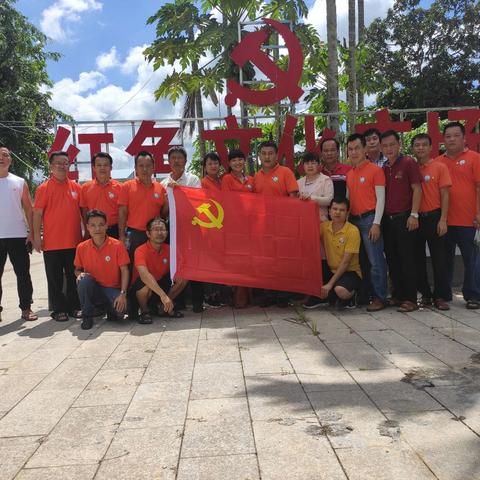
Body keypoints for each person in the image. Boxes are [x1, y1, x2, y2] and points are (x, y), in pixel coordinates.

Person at [434, 121, 480, 309]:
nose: (452, 139)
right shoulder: (438, 162)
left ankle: (473, 295)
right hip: (444, 221)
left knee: (473, 260)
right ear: (443, 140)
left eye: (456, 135)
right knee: (444, 261)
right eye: (448, 136)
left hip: (469, 220)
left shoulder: (474, 158)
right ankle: (444, 295)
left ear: (464, 138)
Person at [33, 151, 82, 322]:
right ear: (51, 166)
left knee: (73, 276)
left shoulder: (77, 187)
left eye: (66, 163)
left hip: (74, 241)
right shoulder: (44, 188)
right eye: (58, 163)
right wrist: (35, 237)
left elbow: (83, 213)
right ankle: (58, 309)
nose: (62, 166)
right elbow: (37, 214)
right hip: (52, 243)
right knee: (54, 279)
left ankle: (75, 307)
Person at [381, 130, 423, 312]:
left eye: (392, 144)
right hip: (388, 221)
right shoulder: (384, 167)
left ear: (399, 144)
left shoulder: (408, 163)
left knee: (407, 259)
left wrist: (414, 214)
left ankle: (411, 299)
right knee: (393, 259)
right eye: (385, 146)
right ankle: (398, 295)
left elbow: (417, 189)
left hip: (405, 218)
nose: (389, 148)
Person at [346, 133, 388, 312]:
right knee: (361, 262)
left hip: (370, 220)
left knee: (376, 262)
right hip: (354, 221)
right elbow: (349, 200)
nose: (354, 152)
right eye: (350, 149)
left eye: (357, 148)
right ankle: (365, 295)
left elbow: (381, 199)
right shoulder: (349, 174)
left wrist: (376, 223)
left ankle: (380, 298)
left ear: (365, 149)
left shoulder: (375, 170)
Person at [254, 140, 298, 307]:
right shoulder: (256, 176)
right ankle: (268, 294)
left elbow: (293, 199)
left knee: (283, 260)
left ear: (276, 155)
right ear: (259, 156)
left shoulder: (285, 172)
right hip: (263, 227)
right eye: (263, 153)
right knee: (266, 261)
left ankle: (283, 294)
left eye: (270, 153)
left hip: (283, 226)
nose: (267, 157)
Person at [161, 146, 204, 313]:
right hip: (172, 230)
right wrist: (167, 199)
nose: (177, 161)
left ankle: (198, 301)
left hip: (192, 228)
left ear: (185, 161)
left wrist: (178, 191)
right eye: (173, 158)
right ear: (169, 162)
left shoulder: (193, 180)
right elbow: (163, 212)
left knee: (194, 263)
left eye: (180, 158)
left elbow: (197, 203)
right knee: (175, 264)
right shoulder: (163, 184)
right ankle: (178, 302)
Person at [412, 133, 451, 310]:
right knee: (418, 259)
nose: (420, 148)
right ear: (412, 148)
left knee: (439, 260)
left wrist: (443, 219)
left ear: (430, 147)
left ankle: (440, 296)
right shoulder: (411, 168)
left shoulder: (439, 167)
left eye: (424, 145)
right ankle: (425, 295)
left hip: (435, 217)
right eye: (417, 145)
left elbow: (445, 194)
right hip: (416, 220)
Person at [74, 210, 130, 330]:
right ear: (88, 227)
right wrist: (79, 274)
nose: (97, 228)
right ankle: (87, 316)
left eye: (100, 224)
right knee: (84, 281)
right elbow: (77, 270)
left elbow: (125, 270)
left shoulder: (117, 245)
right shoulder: (81, 247)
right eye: (93, 225)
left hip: (112, 289)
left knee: (122, 311)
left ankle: (107, 309)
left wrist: (123, 294)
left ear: (106, 226)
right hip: (94, 288)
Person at [0, 147, 37, 322]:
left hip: (17, 235)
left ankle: (26, 308)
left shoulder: (20, 182)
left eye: (5, 155)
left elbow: (29, 209)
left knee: (23, 274)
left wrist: (31, 232)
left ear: (10, 160)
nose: (2, 158)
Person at [131, 217, 187, 324]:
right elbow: (144, 275)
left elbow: (182, 268)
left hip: (161, 284)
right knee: (145, 284)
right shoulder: (140, 250)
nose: (160, 233)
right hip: (145, 288)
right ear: (148, 233)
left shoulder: (170, 249)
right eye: (156, 230)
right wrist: (163, 295)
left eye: (162, 229)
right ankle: (144, 311)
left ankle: (164, 308)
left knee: (183, 277)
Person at [118, 151, 168, 257]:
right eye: (141, 166)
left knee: (153, 263)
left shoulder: (160, 188)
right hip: (134, 234)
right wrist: (122, 235)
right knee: (133, 264)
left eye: (148, 166)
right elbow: (122, 213)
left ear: (153, 167)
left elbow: (163, 213)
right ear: (136, 168)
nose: (145, 169)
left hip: (154, 234)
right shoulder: (127, 186)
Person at [221, 149, 254, 308]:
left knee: (249, 258)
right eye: (234, 160)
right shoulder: (226, 179)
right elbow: (227, 202)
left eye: (240, 159)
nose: (237, 163)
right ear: (229, 163)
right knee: (237, 259)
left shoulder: (251, 180)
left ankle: (248, 292)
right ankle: (238, 294)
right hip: (234, 227)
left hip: (251, 227)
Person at [320, 197, 362, 309]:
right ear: (329, 211)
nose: (337, 212)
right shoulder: (324, 227)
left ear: (347, 213)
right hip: (331, 270)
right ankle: (333, 296)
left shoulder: (353, 230)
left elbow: (346, 262)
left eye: (342, 210)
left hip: (349, 271)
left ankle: (353, 296)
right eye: (335, 209)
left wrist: (330, 284)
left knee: (340, 290)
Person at [80, 152, 122, 239]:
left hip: (114, 230)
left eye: (106, 165)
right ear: (94, 168)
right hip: (94, 231)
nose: (102, 168)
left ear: (111, 168)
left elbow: (123, 212)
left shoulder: (120, 188)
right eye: (99, 165)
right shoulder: (85, 188)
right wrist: (87, 232)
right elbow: (84, 212)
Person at [297, 151, 333, 222]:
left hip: (320, 221)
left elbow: (329, 200)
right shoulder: (298, 182)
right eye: (307, 163)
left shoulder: (326, 180)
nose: (310, 166)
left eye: (313, 163)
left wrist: (311, 198)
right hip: (302, 220)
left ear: (319, 165)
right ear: (303, 166)